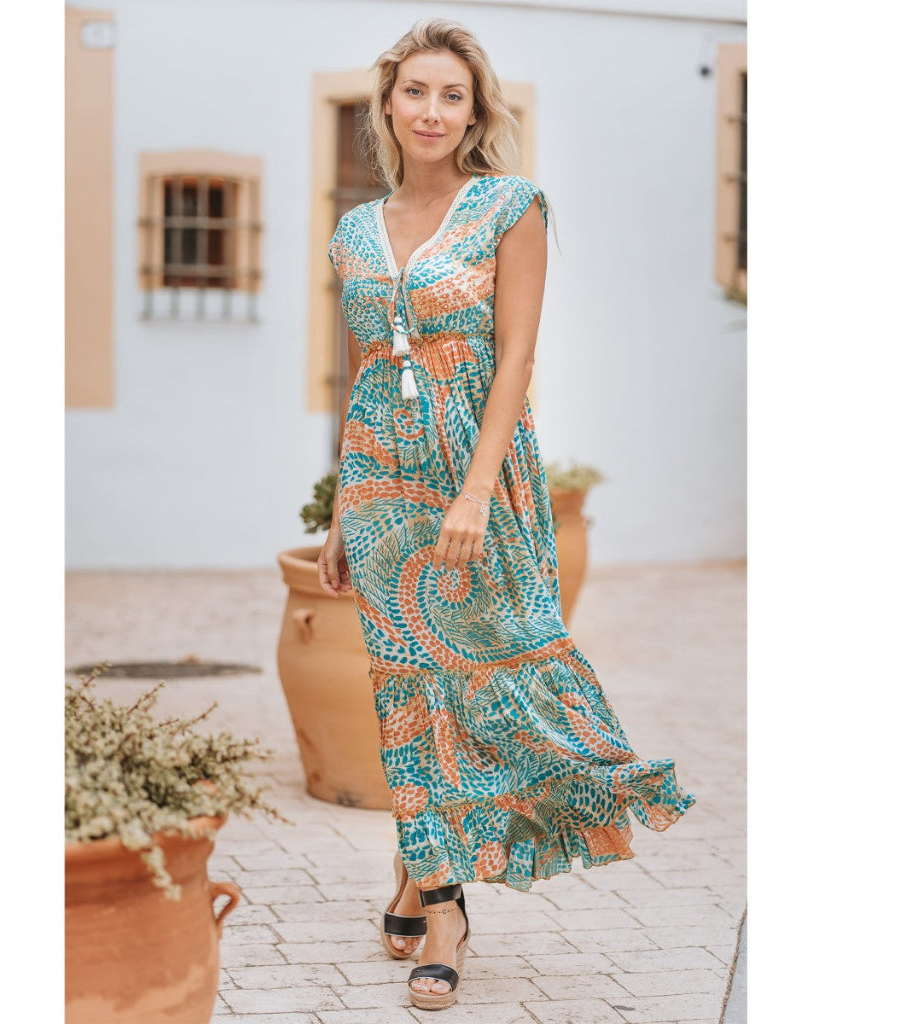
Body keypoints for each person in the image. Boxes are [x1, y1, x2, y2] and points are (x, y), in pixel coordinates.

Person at [319, 17, 696, 1011]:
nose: (433, 112)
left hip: (478, 477)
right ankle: (438, 899)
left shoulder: (509, 208)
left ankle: (429, 866)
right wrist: (336, 510)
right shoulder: (353, 231)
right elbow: (363, 370)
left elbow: (515, 359)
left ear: (476, 112)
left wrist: (478, 488)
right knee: (407, 687)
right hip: (379, 484)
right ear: (387, 108)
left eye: (453, 96)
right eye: (416, 94)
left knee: (495, 670)